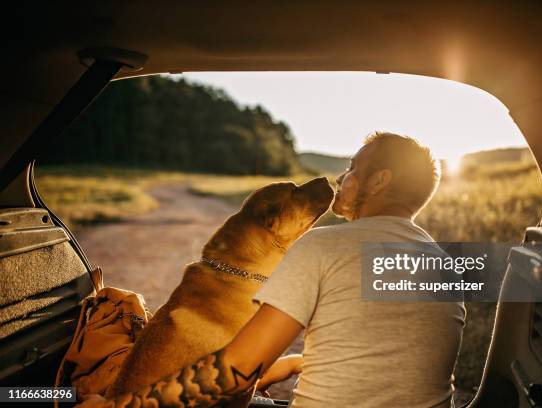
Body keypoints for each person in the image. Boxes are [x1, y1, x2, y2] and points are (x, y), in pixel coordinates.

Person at [80, 132, 465, 408]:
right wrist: (298, 362)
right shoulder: (447, 267)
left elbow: (235, 371)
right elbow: (380, 358)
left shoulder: (323, 247)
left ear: (380, 181)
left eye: (352, 169)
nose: (342, 179)